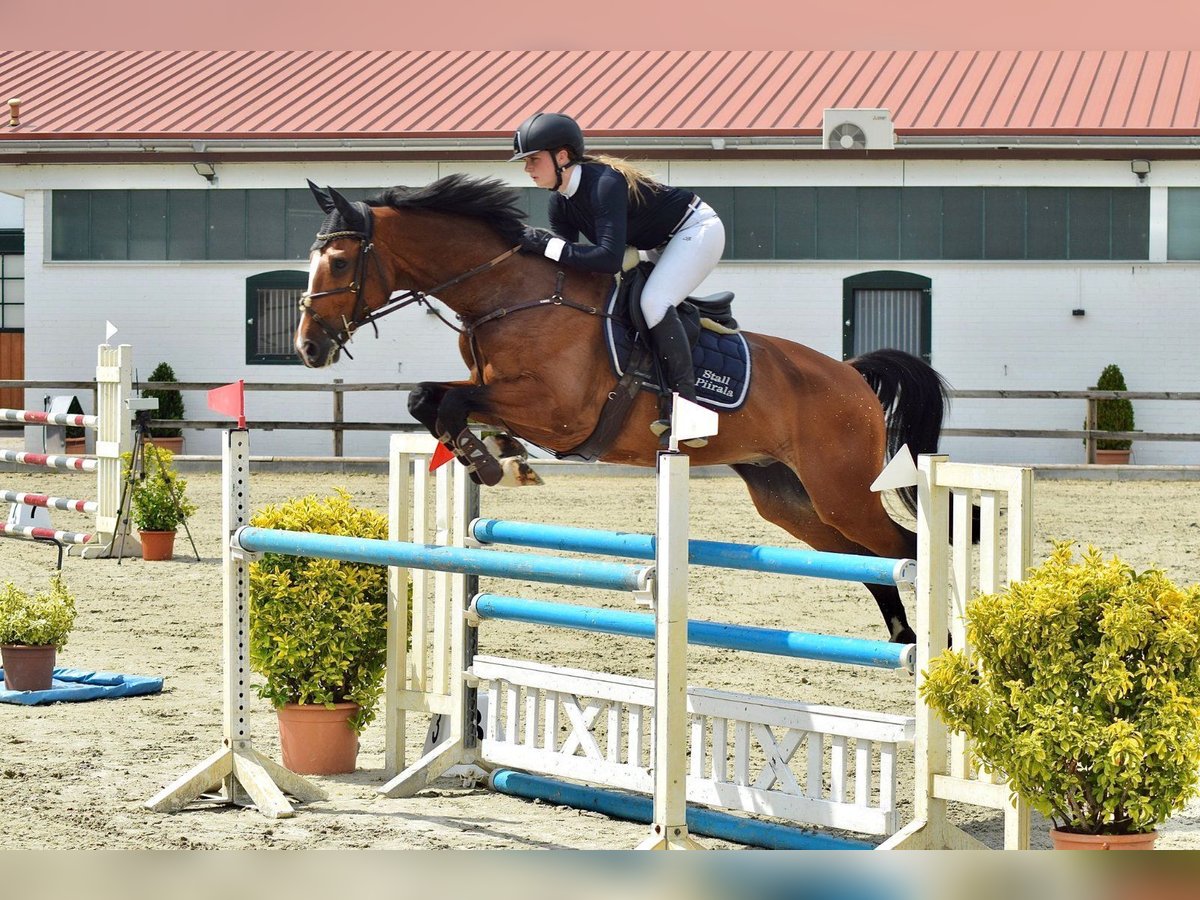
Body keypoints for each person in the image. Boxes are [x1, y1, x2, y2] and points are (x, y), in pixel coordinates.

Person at [510, 112, 725, 441]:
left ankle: (689, 412)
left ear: (562, 157)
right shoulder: (560, 204)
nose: (527, 169)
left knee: (653, 302)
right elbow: (570, 263)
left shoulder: (604, 184)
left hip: (696, 230)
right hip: (656, 244)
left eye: (533, 160)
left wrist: (545, 245)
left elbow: (607, 259)